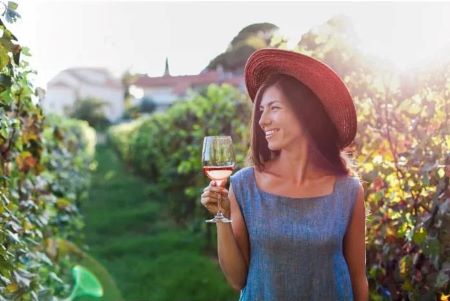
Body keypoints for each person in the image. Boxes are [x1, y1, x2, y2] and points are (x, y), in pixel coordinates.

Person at [200, 48, 368, 301]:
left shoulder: (348, 190)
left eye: (274, 108)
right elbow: (237, 279)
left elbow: (358, 277)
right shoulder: (244, 185)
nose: (262, 121)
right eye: (261, 110)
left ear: (306, 113)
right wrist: (221, 217)